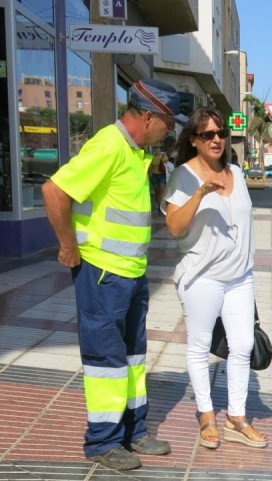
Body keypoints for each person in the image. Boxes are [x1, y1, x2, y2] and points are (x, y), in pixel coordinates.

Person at [41, 78, 185, 471]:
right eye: (169, 123)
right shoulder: (109, 145)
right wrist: (68, 246)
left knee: (133, 358)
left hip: (130, 276)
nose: (170, 131)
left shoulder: (133, 151)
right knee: (106, 360)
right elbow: (54, 191)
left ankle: (133, 432)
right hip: (102, 276)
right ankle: (103, 442)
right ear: (150, 117)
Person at [162, 107, 268, 451]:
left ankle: (236, 417)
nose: (217, 140)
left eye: (220, 133)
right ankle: (206, 415)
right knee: (199, 345)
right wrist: (201, 193)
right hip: (202, 277)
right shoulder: (183, 176)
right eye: (208, 134)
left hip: (239, 277)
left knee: (242, 345)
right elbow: (175, 228)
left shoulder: (236, 171)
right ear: (194, 140)